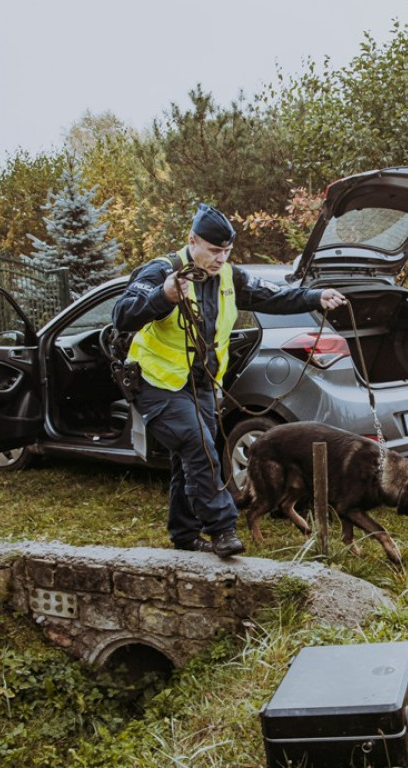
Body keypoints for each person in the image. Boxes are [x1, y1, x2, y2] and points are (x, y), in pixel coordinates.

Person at [112, 203, 346, 558]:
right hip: (156, 383)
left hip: (201, 386)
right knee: (200, 447)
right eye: (214, 249)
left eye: (227, 251)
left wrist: (316, 296)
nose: (221, 258)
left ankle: (185, 534)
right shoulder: (163, 271)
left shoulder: (229, 277)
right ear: (192, 240)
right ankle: (222, 528)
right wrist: (164, 296)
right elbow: (123, 314)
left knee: (187, 458)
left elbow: (274, 296)